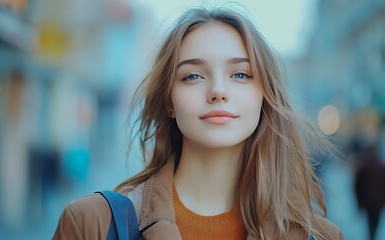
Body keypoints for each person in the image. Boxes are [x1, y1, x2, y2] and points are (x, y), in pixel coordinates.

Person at [53, 5, 343, 240]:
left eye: (240, 74)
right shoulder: (90, 224)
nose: (218, 91)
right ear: (169, 102)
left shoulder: (320, 236)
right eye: (193, 76)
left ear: (264, 96)